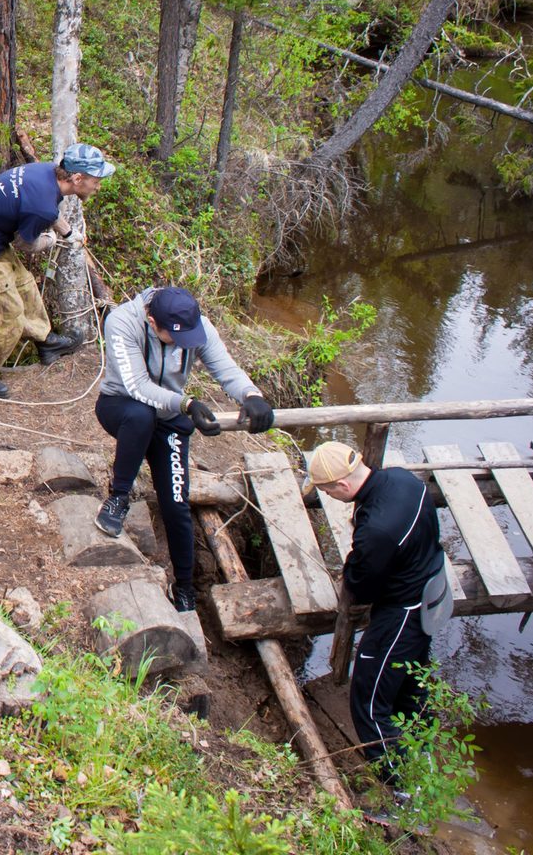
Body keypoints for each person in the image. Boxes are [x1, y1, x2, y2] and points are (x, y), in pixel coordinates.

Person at [92, 286, 275, 610]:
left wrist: (251, 395)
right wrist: (187, 403)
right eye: (173, 338)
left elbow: (225, 369)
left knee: (176, 501)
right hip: (122, 405)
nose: (181, 345)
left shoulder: (194, 324)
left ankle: (186, 588)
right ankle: (119, 496)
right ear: (151, 321)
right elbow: (136, 385)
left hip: (172, 414)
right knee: (140, 414)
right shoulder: (122, 322)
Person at [304, 440, 449, 790]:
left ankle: (402, 789)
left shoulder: (378, 531)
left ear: (342, 486)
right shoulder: (405, 481)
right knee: (411, 689)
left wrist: (352, 566)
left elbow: (362, 586)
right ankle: (423, 760)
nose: (326, 495)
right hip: (432, 586)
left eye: (325, 490)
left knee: (369, 703)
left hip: (403, 614)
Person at [0, 144, 116, 399]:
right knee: (7, 315)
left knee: (25, 285)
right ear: (77, 178)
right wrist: (51, 240)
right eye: (96, 181)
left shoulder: (46, 172)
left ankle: (45, 341)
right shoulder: (42, 204)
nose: (98, 187)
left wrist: (68, 232)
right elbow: (26, 244)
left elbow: (48, 212)